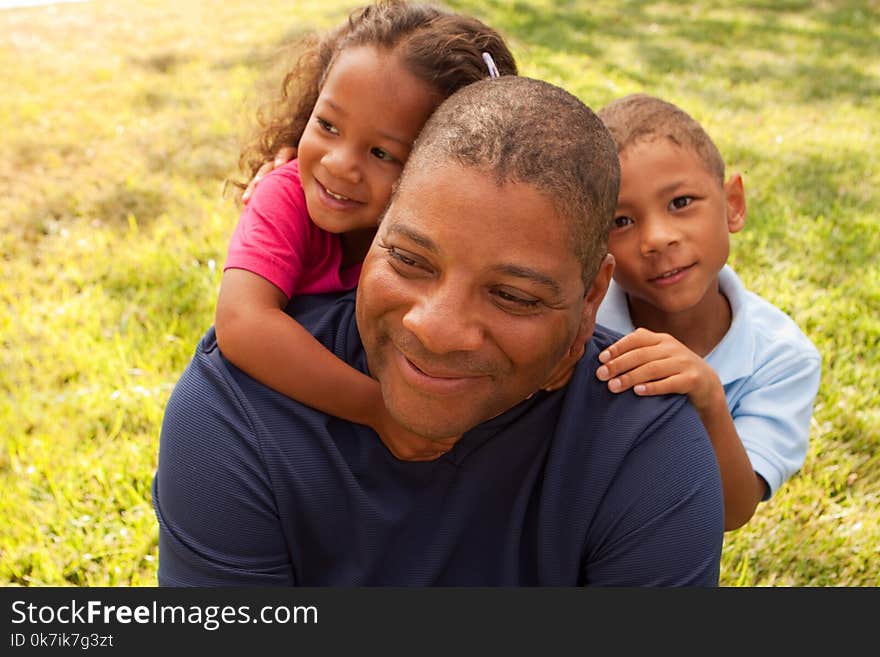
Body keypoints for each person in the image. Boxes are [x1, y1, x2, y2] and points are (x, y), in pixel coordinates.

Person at [152, 75, 724, 586]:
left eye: (513, 295)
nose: (437, 330)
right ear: (377, 227)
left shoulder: (646, 450)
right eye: (408, 259)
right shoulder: (236, 414)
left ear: (592, 294)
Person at [216, 0, 517, 448]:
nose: (339, 165)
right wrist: (376, 409)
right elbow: (241, 322)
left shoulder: (453, 235)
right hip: (271, 441)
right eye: (328, 125)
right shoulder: (285, 196)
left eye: (381, 153)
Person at [593, 93, 821, 531]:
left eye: (680, 203)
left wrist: (709, 399)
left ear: (733, 203)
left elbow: (733, 513)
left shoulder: (782, 359)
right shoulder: (577, 321)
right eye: (621, 221)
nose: (657, 239)